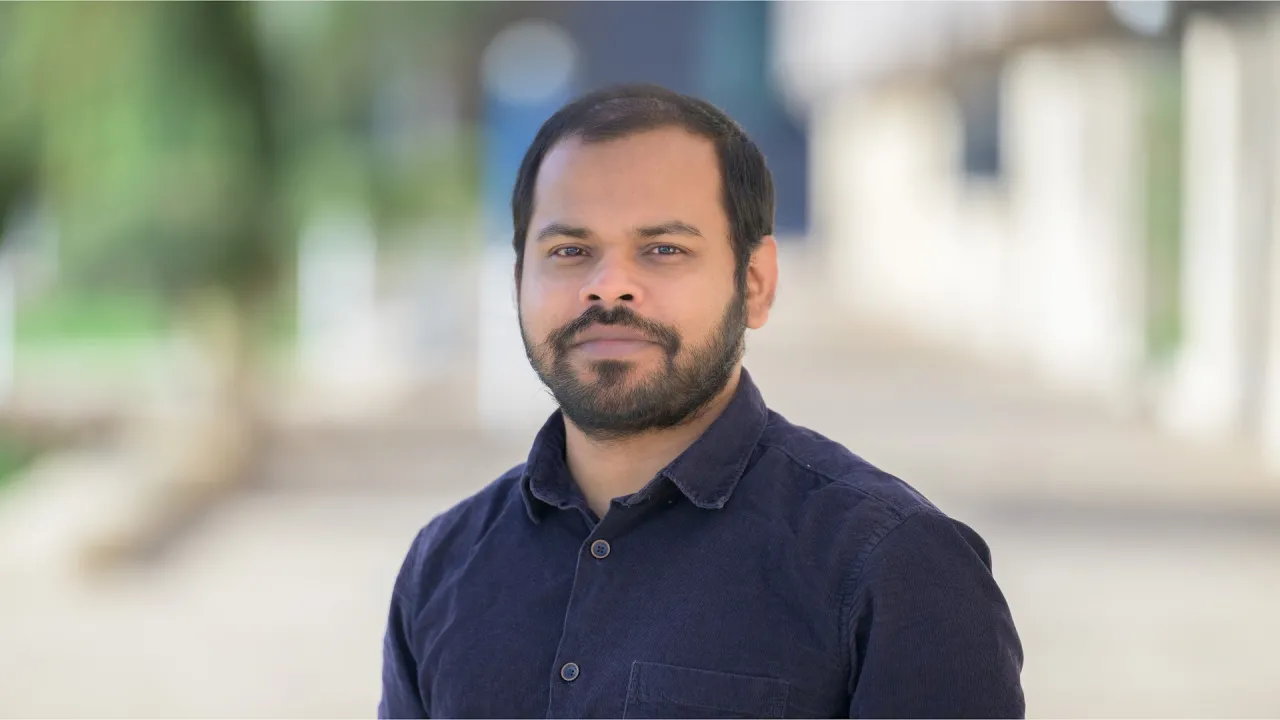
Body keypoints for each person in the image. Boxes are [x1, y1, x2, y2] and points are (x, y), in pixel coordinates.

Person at [378, 84, 1025, 719]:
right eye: (569, 251)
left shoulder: (896, 566)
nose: (609, 286)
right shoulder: (445, 564)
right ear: (519, 279)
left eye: (664, 249)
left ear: (755, 284)